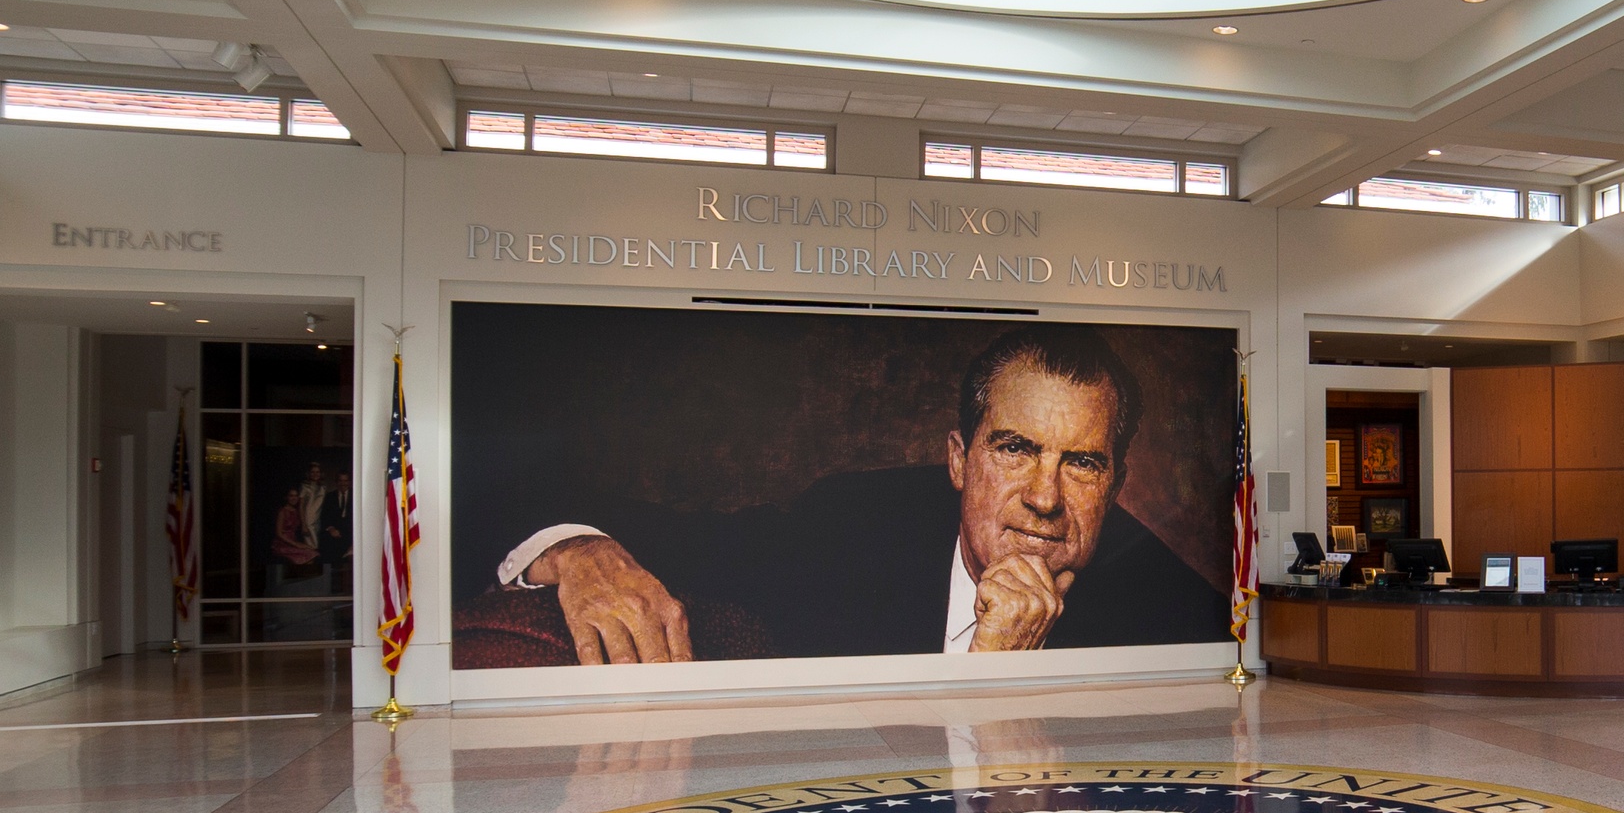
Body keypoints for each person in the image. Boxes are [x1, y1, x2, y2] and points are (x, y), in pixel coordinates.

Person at [490, 327, 1226, 663]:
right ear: (958, 460)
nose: (1044, 497)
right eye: (1015, 448)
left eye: (1082, 464)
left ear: (1116, 484)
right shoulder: (853, 526)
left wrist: (999, 678)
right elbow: (690, 542)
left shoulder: (1176, 613)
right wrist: (577, 547)